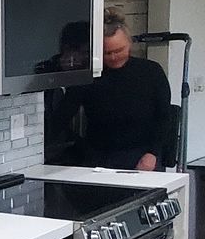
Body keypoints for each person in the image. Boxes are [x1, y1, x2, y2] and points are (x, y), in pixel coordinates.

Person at [54, 9, 175, 170]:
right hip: (99, 155)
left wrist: (153, 153)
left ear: (129, 43)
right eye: (107, 53)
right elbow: (64, 113)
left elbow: (164, 117)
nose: (113, 57)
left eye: (119, 50)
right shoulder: (89, 76)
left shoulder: (151, 71)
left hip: (143, 154)